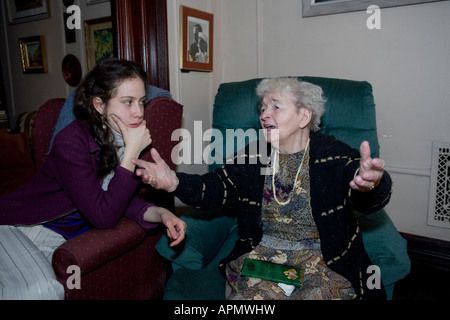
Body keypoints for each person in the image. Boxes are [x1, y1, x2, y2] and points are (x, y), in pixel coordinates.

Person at [132, 77, 392, 300]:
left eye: (276, 107)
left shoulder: (332, 155)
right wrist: (174, 182)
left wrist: (373, 184)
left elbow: (366, 193)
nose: (264, 114)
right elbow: (215, 188)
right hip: (263, 258)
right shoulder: (253, 156)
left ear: (304, 116)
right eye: (263, 107)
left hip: (322, 259)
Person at [0, 59, 186, 300]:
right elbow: (103, 216)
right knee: (39, 291)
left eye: (141, 102)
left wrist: (160, 213)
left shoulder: (118, 139)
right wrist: (131, 153)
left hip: (58, 237)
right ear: (99, 105)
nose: (139, 112)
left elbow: (116, 198)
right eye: (127, 102)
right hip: (21, 228)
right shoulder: (71, 143)